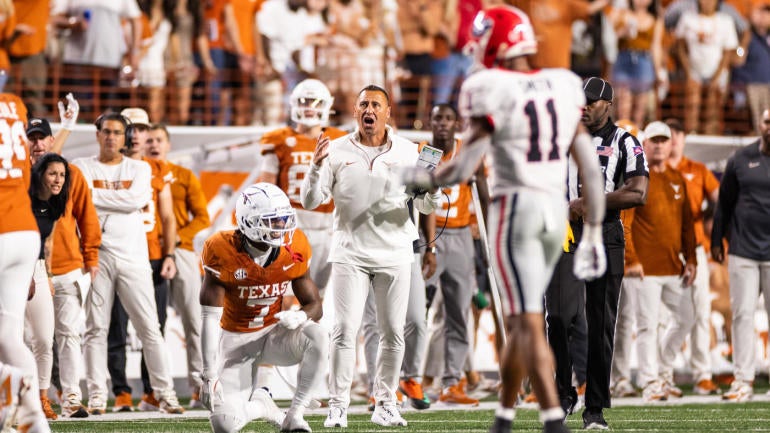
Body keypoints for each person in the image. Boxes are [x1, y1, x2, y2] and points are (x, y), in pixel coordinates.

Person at [401, 6, 607, 433]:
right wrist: (591, 235)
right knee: (520, 317)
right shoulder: (564, 84)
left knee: (528, 318)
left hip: (515, 210)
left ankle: (552, 417)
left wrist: (421, 177)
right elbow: (589, 167)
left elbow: (462, 169)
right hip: (557, 213)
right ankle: (504, 416)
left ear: (495, 41)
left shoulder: (488, 86)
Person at [301, 84, 442, 428]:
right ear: (355, 111)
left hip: (395, 253)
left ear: (388, 112)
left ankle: (386, 402)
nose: (370, 110)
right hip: (350, 253)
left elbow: (426, 206)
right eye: (364, 103)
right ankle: (338, 405)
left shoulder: (411, 152)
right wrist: (316, 167)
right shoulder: (334, 150)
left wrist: (431, 187)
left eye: (376, 104)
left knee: (394, 332)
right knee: (343, 331)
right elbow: (310, 201)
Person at [72, 112, 183, 415]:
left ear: (124, 137)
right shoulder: (80, 166)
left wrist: (92, 195)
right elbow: (83, 199)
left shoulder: (140, 167)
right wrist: (112, 197)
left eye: (117, 132)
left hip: (135, 258)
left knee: (150, 327)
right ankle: (96, 395)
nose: (111, 137)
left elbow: (135, 200)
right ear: (97, 134)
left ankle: (165, 393)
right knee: (96, 328)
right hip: (97, 255)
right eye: (106, 131)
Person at [199, 182, 328, 433]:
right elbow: (208, 318)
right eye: (272, 220)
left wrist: (300, 316)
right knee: (224, 425)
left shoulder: (295, 247)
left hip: (274, 335)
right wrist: (208, 374)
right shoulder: (220, 249)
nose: (281, 226)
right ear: (247, 222)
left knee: (320, 335)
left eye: (282, 219)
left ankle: (295, 416)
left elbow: (315, 306)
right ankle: (262, 404)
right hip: (237, 341)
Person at [572, 76, 649, 429]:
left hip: (605, 232)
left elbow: (637, 193)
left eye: (591, 100)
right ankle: (562, 392)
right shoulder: (564, 139)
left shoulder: (626, 141)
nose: (584, 106)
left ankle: (595, 407)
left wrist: (592, 203)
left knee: (601, 323)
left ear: (609, 103)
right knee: (558, 317)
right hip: (564, 234)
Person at [26, 101, 101, 419]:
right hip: (26, 269)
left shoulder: (69, 177)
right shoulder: (18, 179)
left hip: (65, 267)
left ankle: (69, 397)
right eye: (33, 138)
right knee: (27, 339)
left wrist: (91, 257)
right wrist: (67, 127)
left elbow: (88, 217)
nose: (39, 143)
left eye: (44, 137)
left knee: (66, 335)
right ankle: (26, 397)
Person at [106, 108, 179, 413]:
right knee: (116, 327)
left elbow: (167, 216)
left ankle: (152, 391)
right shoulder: (109, 167)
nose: (136, 134)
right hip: (120, 254)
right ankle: (121, 392)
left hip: (152, 256)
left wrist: (170, 253)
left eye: (141, 128)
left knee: (155, 326)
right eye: (130, 127)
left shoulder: (158, 169)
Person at [622, 121, 697, 402]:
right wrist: (631, 259)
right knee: (646, 326)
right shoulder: (636, 179)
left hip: (672, 266)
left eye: (664, 140)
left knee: (687, 318)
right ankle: (650, 381)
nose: (659, 144)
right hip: (644, 269)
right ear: (644, 144)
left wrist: (691, 259)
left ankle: (663, 371)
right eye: (654, 140)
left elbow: (687, 224)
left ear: (670, 144)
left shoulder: (678, 178)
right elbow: (625, 223)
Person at [420, 103, 488, 407]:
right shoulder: (425, 152)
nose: (443, 124)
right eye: (438, 119)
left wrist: (492, 227)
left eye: (448, 119)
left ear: (455, 123)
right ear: (431, 122)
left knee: (459, 313)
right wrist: (426, 244)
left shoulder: (468, 151)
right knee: (416, 314)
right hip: (429, 237)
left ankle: (451, 382)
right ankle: (409, 380)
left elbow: (483, 188)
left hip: (461, 234)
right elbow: (418, 195)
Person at [258, 78, 347, 301]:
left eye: (315, 102)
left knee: (318, 298)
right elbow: (265, 187)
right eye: (305, 101)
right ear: (294, 103)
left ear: (326, 106)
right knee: (288, 297)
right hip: (292, 225)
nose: (309, 107)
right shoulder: (280, 139)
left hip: (328, 226)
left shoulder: (338, 139)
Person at [146, 123, 210, 409]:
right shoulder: (138, 173)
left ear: (168, 144)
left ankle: (199, 386)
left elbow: (202, 217)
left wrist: (175, 240)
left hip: (180, 251)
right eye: (149, 141)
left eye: (159, 140)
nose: (154, 145)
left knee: (194, 321)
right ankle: (154, 390)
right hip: (147, 251)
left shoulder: (183, 175)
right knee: (151, 323)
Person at [711, 108, 770, 402]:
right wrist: (716, 240)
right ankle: (743, 381)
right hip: (743, 249)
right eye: (768, 121)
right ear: (761, 123)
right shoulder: (742, 158)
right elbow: (724, 203)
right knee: (742, 315)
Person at [0, 92, 50, 433]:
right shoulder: (13, 104)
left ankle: (10, 391)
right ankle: (34, 421)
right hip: (24, 233)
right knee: (8, 337)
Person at [665, 117, 721, 395]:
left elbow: (723, 198)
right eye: (668, 133)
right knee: (661, 317)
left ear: (685, 138)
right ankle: (662, 376)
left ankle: (702, 375)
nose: (674, 138)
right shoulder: (652, 170)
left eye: (678, 132)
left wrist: (721, 231)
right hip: (663, 250)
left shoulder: (698, 170)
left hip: (695, 250)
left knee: (701, 311)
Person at [25, 152, 72, 421]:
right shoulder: (21, 198)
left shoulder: (56, 203)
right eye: (52, 173)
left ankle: (42, 399)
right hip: (10, 266)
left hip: (38, 268)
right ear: (40, 173)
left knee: (43, 339)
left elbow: (46, 243)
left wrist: (49, 275)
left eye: (62, 175)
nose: (58, 179)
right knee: (8, 339)